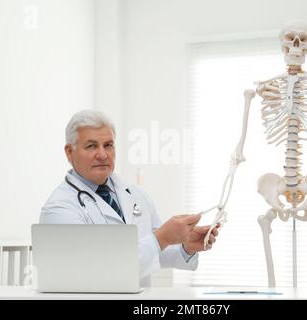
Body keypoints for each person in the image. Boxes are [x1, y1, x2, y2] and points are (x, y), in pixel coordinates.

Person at [40, 109, 219, 286]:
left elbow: (156, 251)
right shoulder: (59, 209)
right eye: (91, 146)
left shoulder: (136, 195)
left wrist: (186, 246)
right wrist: (162, 237)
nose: (102, 154)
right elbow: (97, 273)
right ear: (69, 152)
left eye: (108, 145)